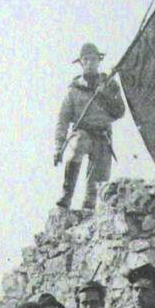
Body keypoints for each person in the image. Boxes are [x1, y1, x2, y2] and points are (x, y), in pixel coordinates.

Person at [54, 42, 125, 210]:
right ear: (81, 62)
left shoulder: (109, 85)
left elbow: (120, 111)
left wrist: (104, 96)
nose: (90, 63)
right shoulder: (73, 91)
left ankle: (88, 208)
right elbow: (62, 120)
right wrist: (58, 147)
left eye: (93, 59)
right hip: (83, 133)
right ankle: (66, 195)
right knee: (78, 145)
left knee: (97, 183)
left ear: (99, 61)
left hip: (103, 136)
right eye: (86, 59)